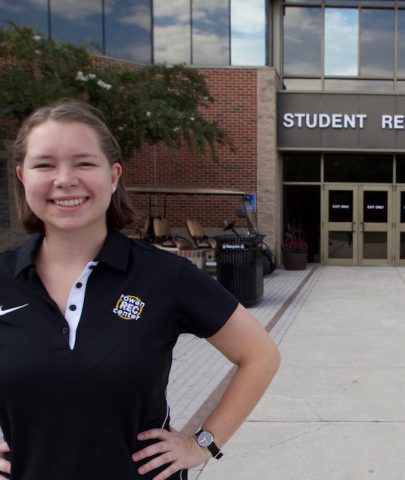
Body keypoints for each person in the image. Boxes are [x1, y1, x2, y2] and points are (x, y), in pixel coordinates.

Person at [0, 100, 280, 479]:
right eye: (45, 164)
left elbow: (260, 356)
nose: (64, 179)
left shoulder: (165, 275)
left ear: (113, 176)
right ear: (22, 176)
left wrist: (203, 443)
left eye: (84, 163)